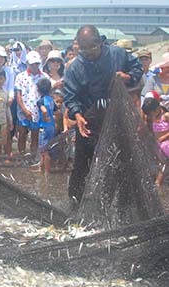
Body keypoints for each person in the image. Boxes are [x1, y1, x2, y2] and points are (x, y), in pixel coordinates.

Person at [64, 25, 143, 207]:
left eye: (92, 49)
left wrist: (128, 76)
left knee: (120, 161)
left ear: (100, 42)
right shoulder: (75, 67)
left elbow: (137, 67)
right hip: (89, 120)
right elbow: (70, 95)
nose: (89, 54)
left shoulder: (117, 54)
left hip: (117, 117)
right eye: (84, 50)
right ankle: (75, 204)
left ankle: (121, 205)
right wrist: (77, 115)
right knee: (81, 164)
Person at [15, 50, 47, 156]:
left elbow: (46, 95)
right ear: (27, 63)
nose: (34, 66)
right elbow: (18, 95)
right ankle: (21, 155)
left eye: (37, 63)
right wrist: (24, 110)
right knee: (22, 134)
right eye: (32, 64)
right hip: (23, 111)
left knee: (35, 135)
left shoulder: (44, 77)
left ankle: (33, 156)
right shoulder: (20, 76)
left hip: (37, 111)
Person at [142, 97, 169, 186]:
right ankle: (158, 184)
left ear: (157, 109)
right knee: (162, 165)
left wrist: (164, 137)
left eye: (150, 114)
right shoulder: (153, 117)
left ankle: (158, 184)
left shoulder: (165, 116)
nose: (150, 116)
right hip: (160, 146)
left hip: (166, 144)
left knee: (164, 165)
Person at [36, 78, 56, 175]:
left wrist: (44, 117)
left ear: (38, 89)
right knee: (44, 148)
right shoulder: (51, 100)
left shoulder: (41, 101)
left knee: (44, 150)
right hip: (51, 126)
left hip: (44, 127)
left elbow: (43, 110)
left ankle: (47, 171)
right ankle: (41, 168)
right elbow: (57, 111)